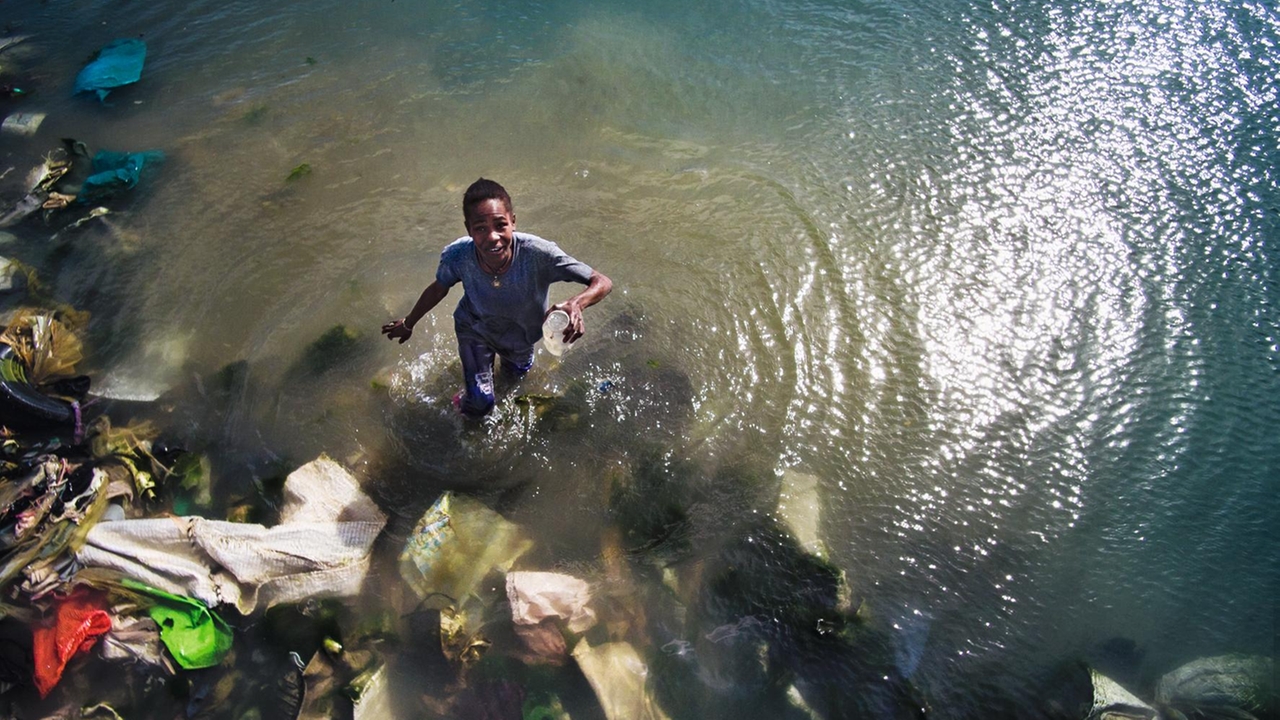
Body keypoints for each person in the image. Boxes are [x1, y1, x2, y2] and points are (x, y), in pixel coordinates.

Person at [381, 178, 612, 416]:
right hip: (475, 329)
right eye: (480, 228)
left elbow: (602, 282)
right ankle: (465, 401)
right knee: (481, 404)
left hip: (521, 338)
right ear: (468, 229)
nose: (492, 237)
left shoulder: (538, 255)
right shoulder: (458, 256)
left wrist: (576, 303)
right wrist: (408, 323)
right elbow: (439, 288)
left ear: (513, 221)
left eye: (500, 225)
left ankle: (484, 383)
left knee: (513, 381)